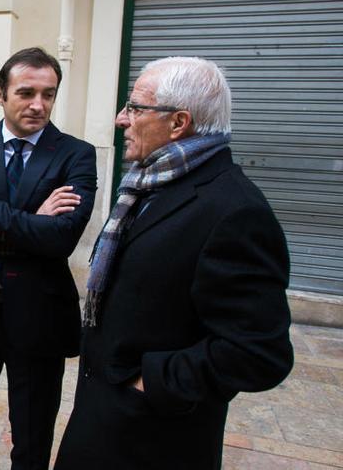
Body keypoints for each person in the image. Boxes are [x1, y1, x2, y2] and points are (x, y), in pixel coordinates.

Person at [54, 57, 294, 470]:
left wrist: (150, 381)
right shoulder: (150, 185)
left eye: (135, 108)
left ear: (178, 122)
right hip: (105, 418)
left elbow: (260, 353)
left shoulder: (234, 211)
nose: (120, 118)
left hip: (155, 440)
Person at [0, 47, 97, 469]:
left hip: (40, 314)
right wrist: (31, 223)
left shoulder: (76, 154)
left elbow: (61, 238)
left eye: (48, 94)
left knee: (33, 434)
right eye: (26, 92)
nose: (38, 105)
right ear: (0, 94)